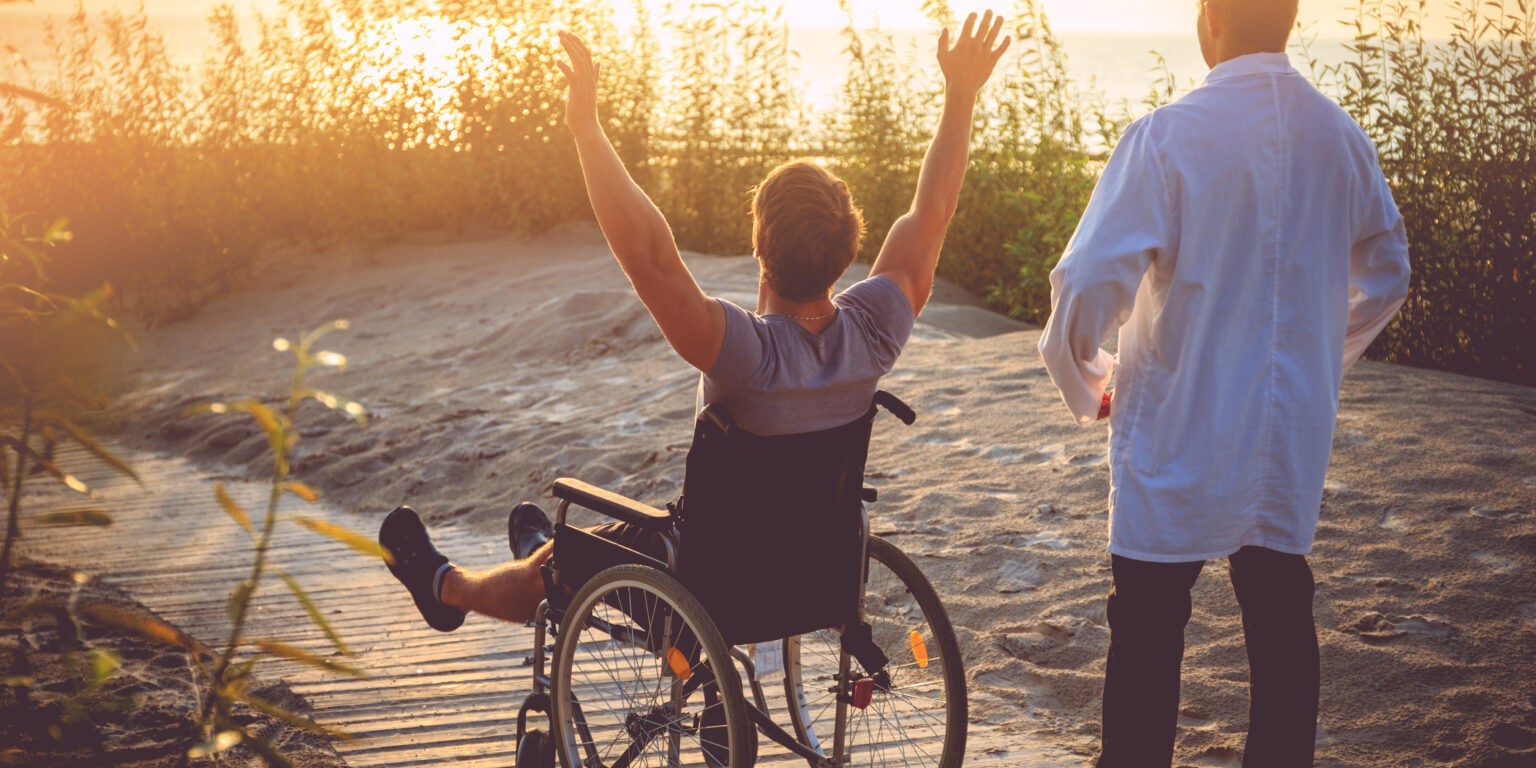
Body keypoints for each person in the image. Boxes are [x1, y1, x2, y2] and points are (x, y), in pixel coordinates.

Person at [378, 13, 1011, 634]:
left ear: (759, 245)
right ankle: (542, 547)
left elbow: (649, 253)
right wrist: (960, 94)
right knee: (585, 542)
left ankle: (447, 587)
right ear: (850, 246)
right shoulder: (876, 333)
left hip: (709, 583)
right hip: (814, 572)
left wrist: (588, 131)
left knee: (561, 565)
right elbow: (932, 215)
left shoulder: (745, 354)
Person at [1037, 1, 1411, 766]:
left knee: (1147, 623)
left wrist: (1087, 375)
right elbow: (1388, 273)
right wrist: (1315, 358)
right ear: (1292, 17)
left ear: (1208, 19)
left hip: (1181, 417)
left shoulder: (1168, 136)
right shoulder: (1339, 137)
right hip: (1285, 429)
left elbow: (1086, 280)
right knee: (1279, 612)